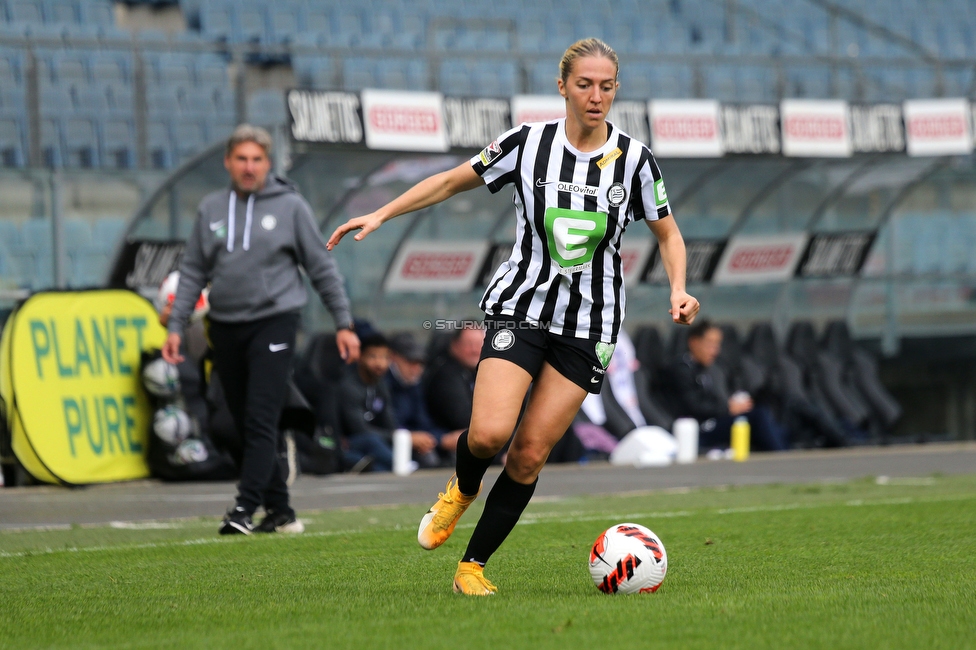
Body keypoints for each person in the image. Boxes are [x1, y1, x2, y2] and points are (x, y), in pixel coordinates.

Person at [328, 39, 698, 595]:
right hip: (519, 308)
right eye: (584, 84)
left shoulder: (636, 159)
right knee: (490, 433)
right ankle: (461, 487)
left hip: (589, 327)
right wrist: (383, 212)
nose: (596, 96)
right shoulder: (527, 144)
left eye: (607, 86)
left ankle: (471, 568)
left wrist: (679, 288)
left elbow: (667, 233)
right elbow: (453, 179)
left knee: (527, 454)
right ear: (563, 86)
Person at [162, 124, 360, 535]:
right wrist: (177, 325)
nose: (249, 167)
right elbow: (193, 271)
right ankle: (281, 510)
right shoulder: (211, 208)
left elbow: (321, 268)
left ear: (268, 163)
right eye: (241, 159)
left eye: (257, 159)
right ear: (228, 162)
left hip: (275, 321)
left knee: (260, 419)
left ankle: (243, 507)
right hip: (226, 326)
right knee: (228, 425)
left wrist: (344, 323)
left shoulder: (291, 207)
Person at [663, 319, 788, 453]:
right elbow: (694, 404)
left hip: (714, 420)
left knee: (772, 420)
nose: (715, 351)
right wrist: (727, 408)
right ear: (694, 342)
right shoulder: (682, 370)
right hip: (696, 429)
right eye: (710, 344)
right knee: (758, 417)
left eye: (717, 345)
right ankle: (781, 455)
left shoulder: (708, 370)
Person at [386, 332, 445, 467]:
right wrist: (409, 437)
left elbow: (422, 421)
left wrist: (439, 438)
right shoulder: (382, 384)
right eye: (410, 362)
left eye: (420, 363)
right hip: (388, 444)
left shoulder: (414, 384)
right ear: (393, 357)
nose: (416, 369)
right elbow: (385, 424)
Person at [423, 326, 483, 454]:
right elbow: (463, 419)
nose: (475, 350)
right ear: (454, 345)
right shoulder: (445, 374)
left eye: (479, 344)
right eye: (469, 344)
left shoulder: (472, 371)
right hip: (442, 448)